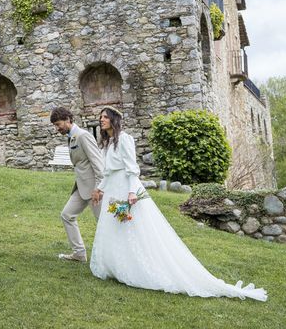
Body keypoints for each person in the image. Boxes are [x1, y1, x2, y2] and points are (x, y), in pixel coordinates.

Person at [89, 106, 267, 301]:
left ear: (114, 119)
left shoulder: (124, 139)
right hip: (113, 188)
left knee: (132, 227)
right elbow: (108, 172)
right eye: (101, 117)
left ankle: (137, 268)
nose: (102, 120)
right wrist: (100, 189)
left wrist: (132, 191)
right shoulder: (107, 143)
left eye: (105, 117)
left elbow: (132, 168)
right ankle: (116, 265)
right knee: (115, 227)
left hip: (125, 187)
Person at [50, 107, 104, 262]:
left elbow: (98, 164)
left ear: (68, 119)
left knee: (104, 223)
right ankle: (79, 254)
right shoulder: (72, 137)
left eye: (58, 124)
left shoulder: (83, 136)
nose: (57, 128)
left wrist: (99, 189)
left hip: (95, 189)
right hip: (81, 187)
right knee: (67, 215)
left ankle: (114, 257)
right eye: (55, 125)